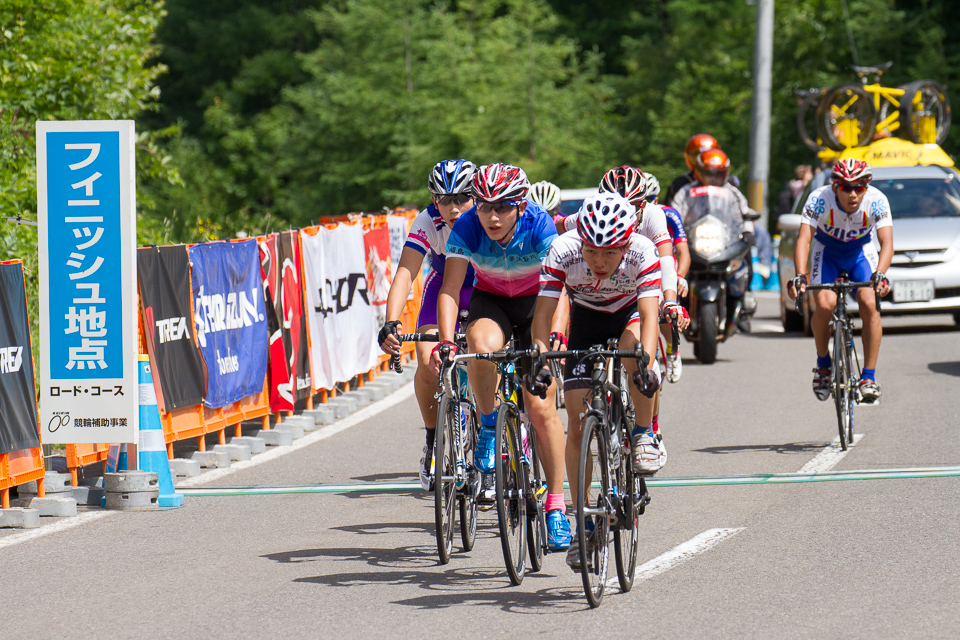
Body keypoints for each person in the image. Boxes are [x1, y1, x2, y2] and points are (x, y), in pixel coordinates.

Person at [430, 162, 572, 550]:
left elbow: (560, 289)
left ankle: (556, 507)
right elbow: (450, 287)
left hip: (537, 303)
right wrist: (446, 341)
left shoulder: (539, 224)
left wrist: (555, 337)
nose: (492, 217)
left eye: (503, 208)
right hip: (492, 300)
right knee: (480, 346)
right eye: (485, 206)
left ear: (521, 206)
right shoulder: (467, 226)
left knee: (540, 408)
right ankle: (489, 425)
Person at [528, 191, 662, 569]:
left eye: (609, 253)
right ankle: (583, 522)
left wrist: (648, 365)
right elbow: (543, 313)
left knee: (635, 355)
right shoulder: (563, 249)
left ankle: (642, 434)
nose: (599, 262)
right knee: (576, 422)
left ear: (626, 245)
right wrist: (540, 358)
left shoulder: (643, 251)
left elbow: (650, 317)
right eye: (591, 252)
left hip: (628, 313)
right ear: (580, 243)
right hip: (586, 319)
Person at [559, 166, 689, 462]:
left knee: (640, 355)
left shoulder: (653, 216)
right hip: (595, 299)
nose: (624, 211)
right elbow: (557, 227)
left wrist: (670, 301)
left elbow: (666, 260)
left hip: (638, 290)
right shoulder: (593, 216)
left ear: (645, 204)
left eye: (634, 206)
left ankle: (649, 428)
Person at [378, 159, 477, 491]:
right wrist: (391, 322)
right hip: (443, 287)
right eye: (444, 200)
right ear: (435, 200)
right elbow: (406, 273)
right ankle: (433, 440)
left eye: (461, 198)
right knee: (426, 359)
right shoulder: (427, 220)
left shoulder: (487, 216)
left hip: (483, 289)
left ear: (475, 195)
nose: (453, 207)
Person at [788, 158, 893, 402]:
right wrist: (800, 275)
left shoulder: (876, 200)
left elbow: (887, 242)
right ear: (835, 187)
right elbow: (804, 239)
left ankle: (868, 377)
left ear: (866, 187)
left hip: (860, 252)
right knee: (825, 305)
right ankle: (824, 365)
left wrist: (880, 273)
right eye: (846, 187)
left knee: (870, 303)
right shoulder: (819, 198)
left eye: (859, 187)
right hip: (827, 252)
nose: (853, 194)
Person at [645, 173, 689, 383]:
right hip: (638, 271)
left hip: (664, 269)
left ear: (656, 198)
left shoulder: (669, 214)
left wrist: (680, 277)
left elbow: (682, 252)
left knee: (665, 315)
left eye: (649, 198)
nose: (645, 203)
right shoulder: (627, 213)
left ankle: (672, 349)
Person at [664, 133, 720, 206]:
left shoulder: (728, 183)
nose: (702, 162)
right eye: (697, 156)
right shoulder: (680, 184)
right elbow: (669, 210)